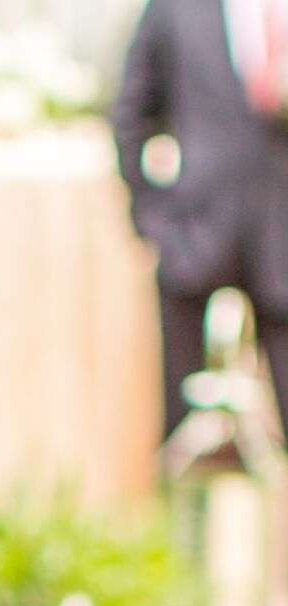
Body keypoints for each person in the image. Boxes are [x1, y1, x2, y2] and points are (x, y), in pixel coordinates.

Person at [113, 0, 288, 435]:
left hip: (282, 242)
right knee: (185, 428)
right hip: (195, 238)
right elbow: (131, 111)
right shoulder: (176, 8)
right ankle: (181, 503)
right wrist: (151, 217)